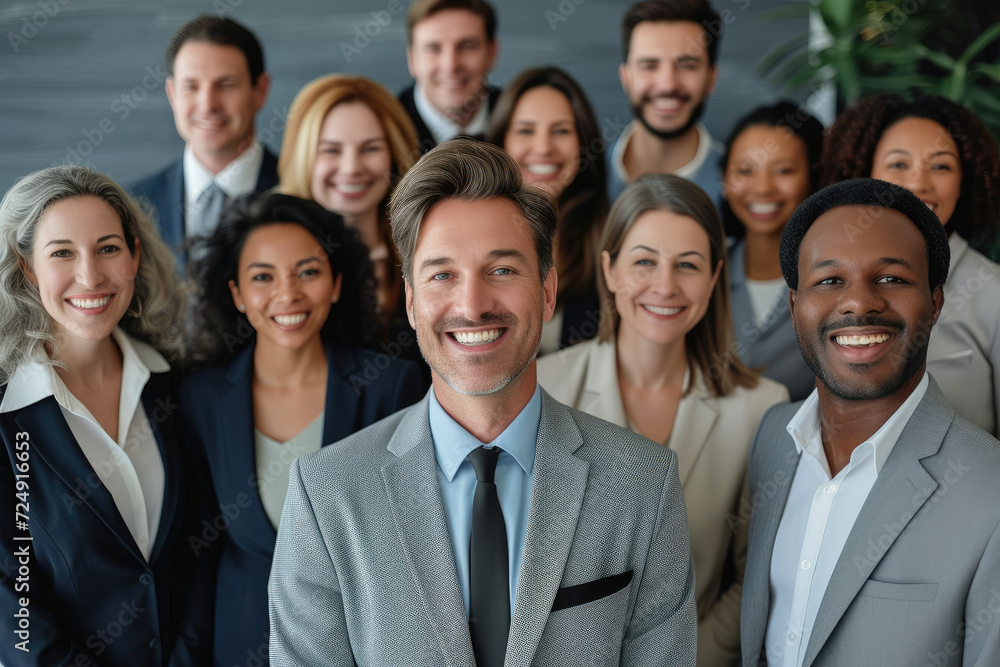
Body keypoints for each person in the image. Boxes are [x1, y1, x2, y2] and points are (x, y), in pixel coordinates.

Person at [268, 140, 697, 666]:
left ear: (547, 291)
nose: (472, 306)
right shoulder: (326, 494)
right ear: (411, 301)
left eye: (502, 270)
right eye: (442, 274)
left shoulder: (644, 483)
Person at [739, 178, 1000, 666]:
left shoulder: (991, 490)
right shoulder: (773, 436)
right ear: (794, 306)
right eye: (829, 281)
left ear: (936, 303)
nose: (859, 302)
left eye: (892, 279)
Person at [538, 174, 788, 666]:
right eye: (644, 262)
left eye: (688, 265)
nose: (666, 285)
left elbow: (751, 579)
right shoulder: (542, 388)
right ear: (609, 269)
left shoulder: (762, 407)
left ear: (714, 277)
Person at [183, 192, 424, 666]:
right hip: (237, 648)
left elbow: (413, 541)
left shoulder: (391, 385)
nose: (287, 294)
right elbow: (194, 554)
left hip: (361, 645)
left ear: (336, 284)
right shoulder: (200, 398)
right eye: (262, 277)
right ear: (237, 294)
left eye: (308, 272)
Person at [0, 166, 210, 665]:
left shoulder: (176, 385)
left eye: (108, 248)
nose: (90, 276)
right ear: (27, 268)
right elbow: (13, 610)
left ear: (134, 255)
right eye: (62, 253)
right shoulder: (6, 417)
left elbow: (201, 553)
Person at [821, 94, 1000, 435]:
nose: (918, 183)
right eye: (899, 164)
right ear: (865, 174)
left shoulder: (993, 291)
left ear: (964, 181)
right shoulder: (825, 281)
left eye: (941, 166)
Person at [278, 74, 419, 333]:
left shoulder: (425, 249)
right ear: (303, 158)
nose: (352, 168)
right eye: (331, 150)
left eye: (371, 148)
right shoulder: (271, 259)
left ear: (394, 156)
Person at [131, 15, 275, 265]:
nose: (207, 105)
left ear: (260, 91)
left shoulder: (304, 193)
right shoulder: (131, 205)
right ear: (172, 94)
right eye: (191, 86)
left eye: (226, 84)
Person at [487, 65, 609, 354]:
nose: (543, 147)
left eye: (561, 130)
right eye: (526, 130)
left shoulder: (612, 239)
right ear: (502, 141)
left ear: (583, 143)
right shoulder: (471, 233)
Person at [722, 101, 824, 401]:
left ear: (813, 176)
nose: (763, 188)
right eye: (745, 170)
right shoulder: (700, 270)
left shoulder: (835, 281)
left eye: (783, 170)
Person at [609, 0, 724, 206]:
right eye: (649, 65)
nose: (668, 85)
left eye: (687, 65)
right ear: (625, 77)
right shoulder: (584, 176)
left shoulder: (741, 189)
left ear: (711, 78)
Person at [399, 0, 501, 153]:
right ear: (412, 58)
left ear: (492, 53)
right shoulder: (383, 130)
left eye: (467, 46)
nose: (450, 66)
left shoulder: (522, 120)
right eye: (433, 48)